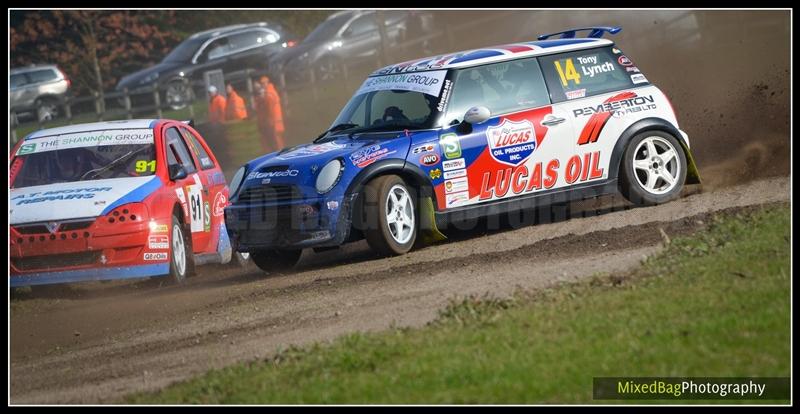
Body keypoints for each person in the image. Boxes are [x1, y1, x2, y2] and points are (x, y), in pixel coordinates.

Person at [255, 76, 286, 152]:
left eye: (263, 83)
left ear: (267, 83)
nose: (262, 85)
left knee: (276, 142)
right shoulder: (269, 93)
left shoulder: (270, 94)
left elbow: (268, 109)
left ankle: (280, 155)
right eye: (261, 83)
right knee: (274, 141)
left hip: (273, 122)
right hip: (272, 122)